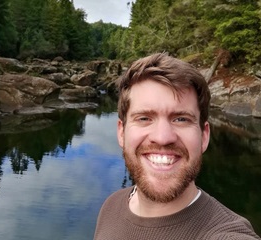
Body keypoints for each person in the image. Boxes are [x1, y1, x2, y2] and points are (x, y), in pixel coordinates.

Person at [94, 53, 260, 240]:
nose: (163, 137)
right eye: (144, 118)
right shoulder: (111, 206)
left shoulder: (227, 234)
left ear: (204, 135)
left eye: (181, 119)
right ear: (122, 133)